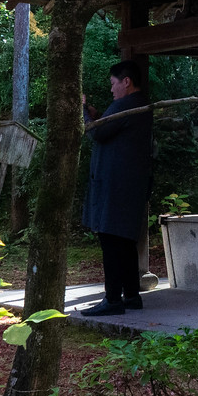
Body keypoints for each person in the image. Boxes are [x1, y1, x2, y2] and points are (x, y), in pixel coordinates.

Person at [80, 60, 153, 316]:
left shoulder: (124, 105)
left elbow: (96, 133)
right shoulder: (140, 106)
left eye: (113, 84)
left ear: (126, 81)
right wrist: (99, 116)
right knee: (124, 241)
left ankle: (113, 299)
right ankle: (131, 295)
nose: (111, 89)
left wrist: (85, 113)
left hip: (114, 186)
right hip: (129, 185)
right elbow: (110, 129)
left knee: (111, 240)